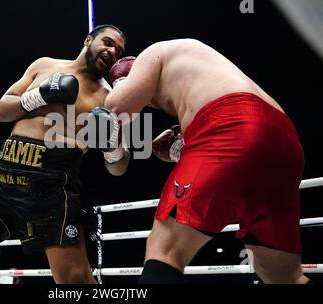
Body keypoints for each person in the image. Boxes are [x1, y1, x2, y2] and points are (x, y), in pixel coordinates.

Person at [0, 24, 129, 284]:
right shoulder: (44, 66)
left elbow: (119, 168)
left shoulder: (110, 98)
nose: (113, 51)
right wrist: (39, 96)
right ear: (88, 40)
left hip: (52, 186)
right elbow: (1, 112)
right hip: (3, 174)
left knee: (74, 279)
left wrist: (112, 148)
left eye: (119, 51)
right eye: (108, 42)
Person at [101, 38, 310, 284]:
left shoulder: (152, 54)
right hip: (284, 139)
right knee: (282, 275)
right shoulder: (195, 67)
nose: (151, 105)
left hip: (231, 122)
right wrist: (183, 145)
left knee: (165, 252)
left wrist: (120, 87)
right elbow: (241, 150)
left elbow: (114, 109)